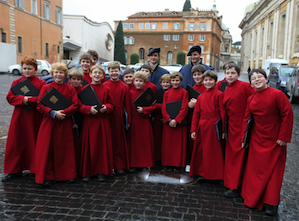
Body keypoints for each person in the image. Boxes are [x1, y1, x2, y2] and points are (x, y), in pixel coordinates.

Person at [241, 69, 293, 216]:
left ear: (266, 79)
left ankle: (271, 203)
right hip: (257, 138)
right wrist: (243, 139)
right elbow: (246, 119)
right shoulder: (250, 99)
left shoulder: (277, 94)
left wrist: (283, 137)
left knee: (273, 173)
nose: (257, 80)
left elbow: (287, 114)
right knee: (256, 171)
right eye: (253, 78)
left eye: (259, 77)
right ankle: (255, 199)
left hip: (275, 139)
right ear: (250, 83)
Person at [2, 56, 46, 182]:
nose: (27, 71)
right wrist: (24, 99)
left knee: (34, 141)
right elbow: (10, 97)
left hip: (34, 117)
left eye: (30, 69)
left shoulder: (41, 83)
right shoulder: (17, 82)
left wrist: (27, 99)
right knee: (17, 142)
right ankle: (14, 170)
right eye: (25, 68)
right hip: (20, 117)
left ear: (35, 69)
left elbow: (41, 100)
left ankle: (35, 169)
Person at [35, 63, 79, 187]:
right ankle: (48, 175)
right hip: (49, 121)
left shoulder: (70, 89)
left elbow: (75, 105)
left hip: (64, 121)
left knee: (65, 148)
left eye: (61, 72)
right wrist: (53, 113)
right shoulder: (46, 87)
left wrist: (63, 113)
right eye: (56, 72)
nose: (58, 75)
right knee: (48, 149)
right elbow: (39, 104)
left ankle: (67, 174)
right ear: (52, 73)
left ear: (65, 75)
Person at [222, 62, 255, 198]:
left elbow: (255, 99)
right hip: (232, 126)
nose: (230, 76)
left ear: (239, 75)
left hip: (242, 125)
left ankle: (236, 186)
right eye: (228, 73)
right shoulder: (226, 87)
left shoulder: (245, 86)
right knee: (232, 156)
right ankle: (231, 182)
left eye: (233, 73)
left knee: (239, 155)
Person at [80, 64, 115, 182]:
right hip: (89, 121)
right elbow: (79, 105)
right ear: (90, 74)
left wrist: (106, 108)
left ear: (103, 75)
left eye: (99, 73)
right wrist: (88, 110)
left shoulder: (107, 88)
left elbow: (112, 104)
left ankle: (101, 171)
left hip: (102, 121)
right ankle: (87, 171)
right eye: (95, 73)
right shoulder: (84, 89)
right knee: (89, 147)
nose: (97, 75)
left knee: (101, 148)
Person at [189, 70, 225, 180]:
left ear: (215, 81)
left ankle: (214, 175)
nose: (208, 82)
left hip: (214, 128)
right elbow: (196, 115)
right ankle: (203, 172)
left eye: (210, 80)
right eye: (206, 80)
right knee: (202, 151)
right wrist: (193, 130)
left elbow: (223, 114)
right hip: (202, 127)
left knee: (213, 152)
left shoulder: (219, 95)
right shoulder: (200, 97)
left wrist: (223, 130)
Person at [104, 62, 131, 175]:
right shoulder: (105, 85)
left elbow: (128, 105)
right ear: (108, 72)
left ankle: (119, 164)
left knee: (119, 142)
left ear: (119, 72)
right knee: (107, 141)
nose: (114, 73)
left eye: (116, 70)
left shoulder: (124, 86)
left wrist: (128, 120)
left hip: (119, 116)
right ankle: (109, 165)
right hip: (107, 115)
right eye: (111, 70)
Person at [127, 71, 156, 172]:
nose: (138, 83)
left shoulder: (147, 93)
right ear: (133, 81)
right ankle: (134, 164)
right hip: (134, 121)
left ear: (144, 82)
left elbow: (153, 106)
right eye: (137, 81)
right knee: (134, 144)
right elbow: (128, 108)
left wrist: (145, 110)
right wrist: (129, 121)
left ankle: (145, 163)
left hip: (144, 121)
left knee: (144, 144)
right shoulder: (130, 93)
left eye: (141, 81)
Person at [161, 72, 188, 172]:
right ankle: (168, 164)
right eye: (173, 80)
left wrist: (176, 120)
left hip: (179, 123)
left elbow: (184, 108)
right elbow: (164, 108)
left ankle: (177, 164)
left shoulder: (184, 92)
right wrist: (168, 119)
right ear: (170, 82)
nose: (175, 82)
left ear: (181, 81)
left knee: (178, 145)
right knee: (168, 144)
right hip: (169, 123)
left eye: (177, 80)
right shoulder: (167, 93)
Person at [186, 64, 206, 164]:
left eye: (199, 74)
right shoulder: (192, 87)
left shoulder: (206, 87)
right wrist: (189, 105)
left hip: (203, 118)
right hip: (192, 117)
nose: (197, 77)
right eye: (194, 75)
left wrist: (198, 103)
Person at [152, 74, 171, 165]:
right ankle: (158, 159)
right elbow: (152, 105)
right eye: (164, 82)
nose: (165, 84)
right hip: (158, 118)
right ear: (160, 83)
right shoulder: (158, 93)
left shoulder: (171, 92)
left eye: (167, 82)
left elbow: (171, 107)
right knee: (158, 139)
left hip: (168, 118)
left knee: (168, 141)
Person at [68, 68, 84, 174]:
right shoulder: (67, 89)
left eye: (78, 79)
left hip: (81, 118)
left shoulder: (83, 91)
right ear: (70, 79)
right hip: (70, 118)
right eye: (74, 79)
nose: (76, 81)